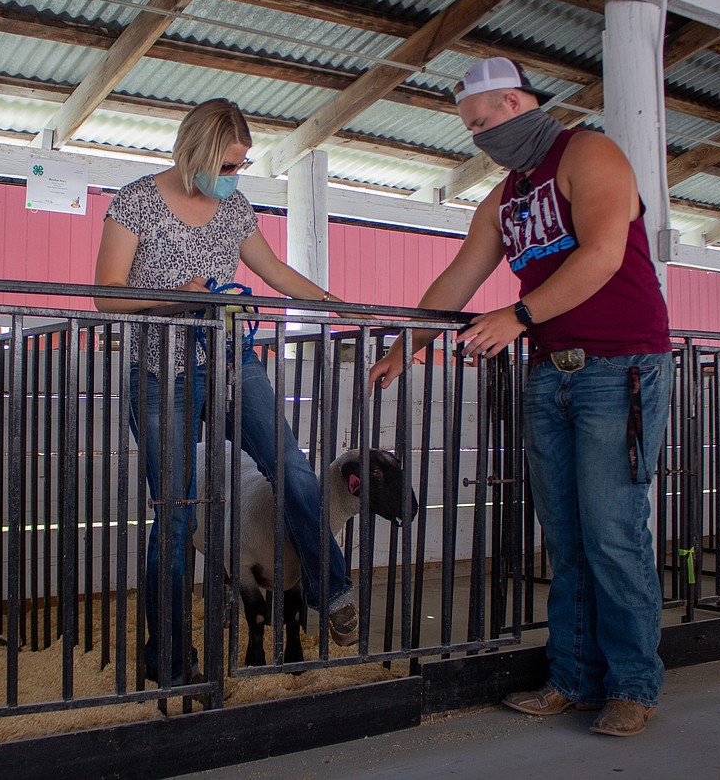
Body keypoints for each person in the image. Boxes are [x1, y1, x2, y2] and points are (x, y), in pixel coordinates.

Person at [368, 57, 672, 737]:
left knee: (614, 534)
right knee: (566, 538)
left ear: (514, 102)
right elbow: (458, 277)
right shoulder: (502, 199)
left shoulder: (589, 153)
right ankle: (571, 677)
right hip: (551, 374)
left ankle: (632, 685)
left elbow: (603, 255)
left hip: (618, 366)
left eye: (482, 123)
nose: (478, 138)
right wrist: (402, 348)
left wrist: (519, 317)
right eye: (470, 130)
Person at [94, 98, 359, 686]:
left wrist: (336, 305)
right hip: (163, 371)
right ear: (196, 151)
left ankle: (332, 587)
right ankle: (167, 654)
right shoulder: (137, 201)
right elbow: (106, 295)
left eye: (240, 166)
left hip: (233, 362)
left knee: (292, 467)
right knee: (178, 510)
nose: (234, 176)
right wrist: (178, 296)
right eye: (229, 164)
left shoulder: (234, 209)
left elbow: (276, 273)